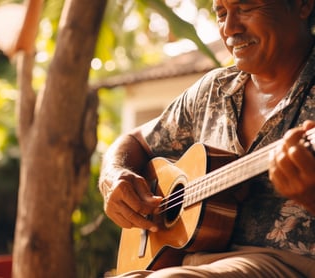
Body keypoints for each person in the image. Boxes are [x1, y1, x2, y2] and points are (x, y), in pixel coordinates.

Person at [99, 0, 315, 277]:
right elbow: (136, 141)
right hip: (186, 262)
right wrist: (115, 174)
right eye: (222, 13)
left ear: (301, 5)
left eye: (246, 8)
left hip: (288, 264)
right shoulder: (213, 90)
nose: (229, 28)